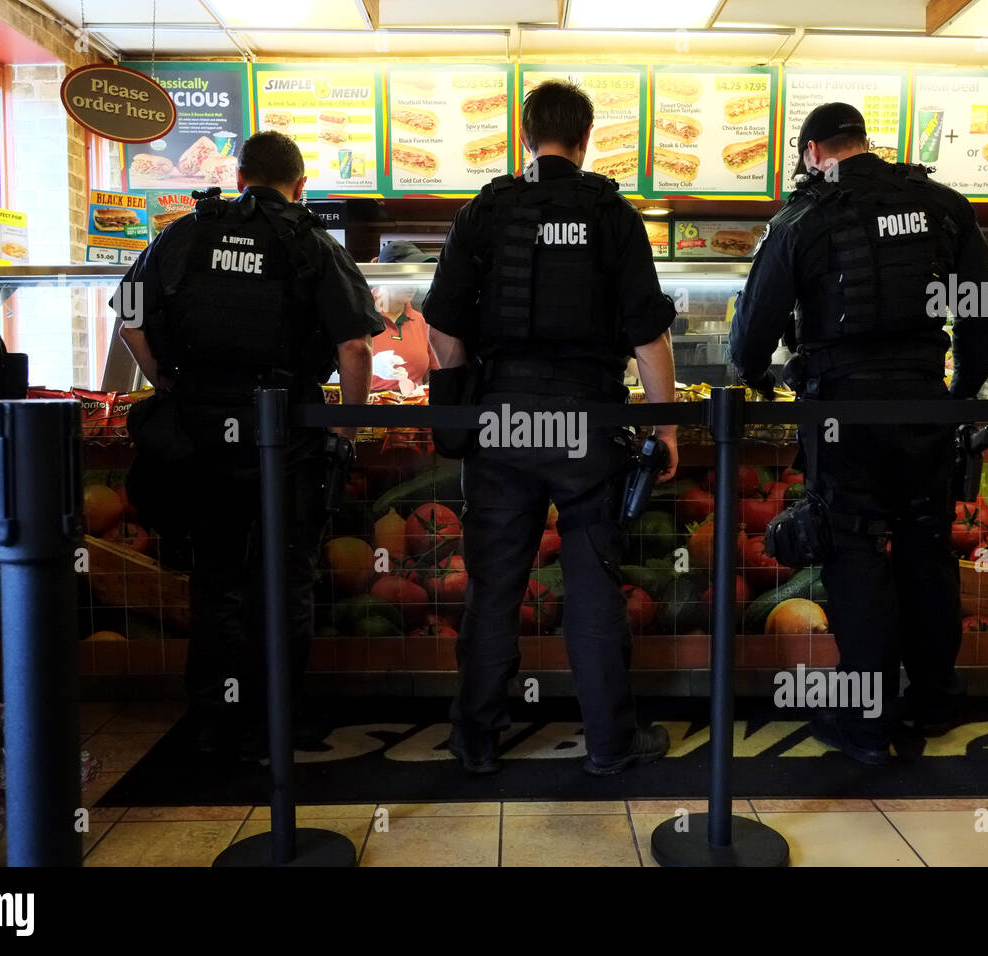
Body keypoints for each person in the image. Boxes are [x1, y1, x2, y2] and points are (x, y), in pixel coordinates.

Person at [730, 103, 988, 765]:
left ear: (815, 151)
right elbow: (983, 308)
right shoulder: (942, 206)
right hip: (922, 405)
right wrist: (960, 392)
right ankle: (935, 701)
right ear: (862, 141)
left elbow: (749, 332)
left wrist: (766, 379)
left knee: (853, 555)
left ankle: (865, 725)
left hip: (843, 411)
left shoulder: (804, 217)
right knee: (926, 548)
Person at [423, 80, 679, 776]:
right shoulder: (612, 214)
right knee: (594, 584)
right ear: (587, 138)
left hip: (500, 421)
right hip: (587, 425)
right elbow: (650, 339)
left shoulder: (488, 209)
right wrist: (668, 430)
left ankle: (475, 740)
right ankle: (610, 743)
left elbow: (441, 327)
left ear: (525, 136)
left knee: (493, 584)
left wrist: (462, 393)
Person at [113, 130, 382, 762]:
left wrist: (170, 383)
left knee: (217, 580)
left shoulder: (183, 235)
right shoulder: (310, 242)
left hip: (202, 438)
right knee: (286, 579)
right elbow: (357, 349)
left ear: (238, 179)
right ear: (300, 185)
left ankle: (214, 722)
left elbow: (127, 318)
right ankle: (277, 725)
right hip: (285, 434)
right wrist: (344, 432)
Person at [370, 241, 438, 395]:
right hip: (369, 414)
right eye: (405, 274)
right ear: (383, 274)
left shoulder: (421, 321)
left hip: (414, 413)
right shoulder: (362, 316)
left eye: (415, 275)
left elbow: (433, 375)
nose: (411, 282)